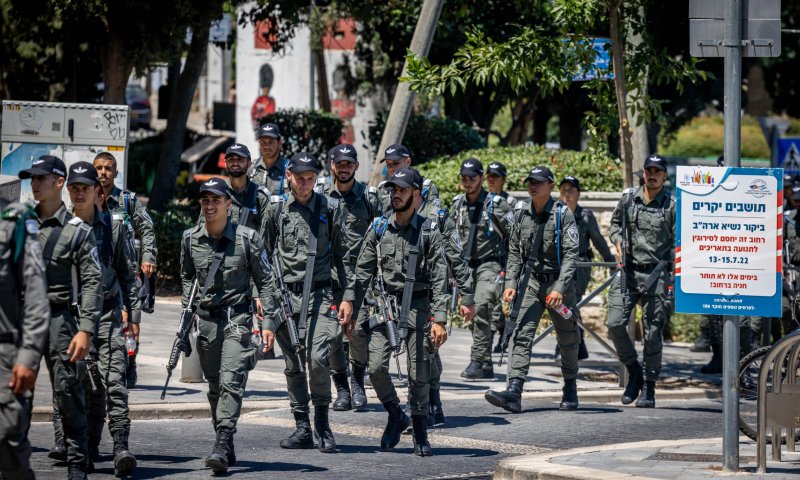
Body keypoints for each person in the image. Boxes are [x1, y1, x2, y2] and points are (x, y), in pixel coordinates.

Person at [341, 167, 449, 456]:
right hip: (384, 308)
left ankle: (420, 431)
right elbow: (362, 271)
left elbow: (440, 277)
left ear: (416, 193)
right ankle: (395, 414)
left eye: (402, 189)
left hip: (418, 308)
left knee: (418, 374)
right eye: (393, 189)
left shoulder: (429, 230)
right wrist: (350, 302)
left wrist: (440, 319)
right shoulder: (379, 227)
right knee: (375, 368)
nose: (396, 194)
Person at [180, 177, 273, 474]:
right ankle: (226, 436)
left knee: (231, 380)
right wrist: (187, 310)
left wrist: (269, 320)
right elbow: (186, 275)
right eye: (205, 200)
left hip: (237, 320)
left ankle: (221, 441)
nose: (209, 205)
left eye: (215, 200)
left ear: (228, 205)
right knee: (215, 386)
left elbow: (266, 281)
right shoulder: (190, 239)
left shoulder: (247, 238)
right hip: (207, 322)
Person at [261, 152, 353, 453]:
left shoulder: (330, 208)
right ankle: (302, 427)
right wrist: (260, 296)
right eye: (300, 178)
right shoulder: (276, 210)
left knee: (317, 359)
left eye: (310, 179)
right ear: (289, 176)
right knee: (294, 364)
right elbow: (261, 256)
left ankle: (322, 424)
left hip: (321, 294)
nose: (305, 184)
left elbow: (343, 256)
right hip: (286, 296)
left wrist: (347, 298)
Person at [19, 155, 103, 480]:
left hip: (60, 320)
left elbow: (93, 282)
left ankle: (78, 462)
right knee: (17, 395)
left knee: (68, 393)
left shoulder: (77, 231)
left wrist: (86, 329)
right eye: (31, 178)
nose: (34, 183)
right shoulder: (20, 224)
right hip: (24, 322)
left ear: (58, 183)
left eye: (41, 178)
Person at [484, 166, 581, 413]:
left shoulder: (562, 214)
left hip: (557, 282)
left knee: (568, 337)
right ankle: (514, 391)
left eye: (538, 182)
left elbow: (571, 256)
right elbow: (515, 252)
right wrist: (510, 284)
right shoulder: (520, 213)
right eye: (530, 182)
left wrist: (560, 287)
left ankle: (570, 385)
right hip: (531, 282)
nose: (533, 186)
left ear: (550, 185)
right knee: (521, 333)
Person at [67, 161, 140, 476]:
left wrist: (133, 317)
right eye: (76, 187)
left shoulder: (115, 225)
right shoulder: (61, 229)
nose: (82, 193)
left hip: (109, 314)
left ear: (98, 192)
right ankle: (85, 446)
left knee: (114, 383)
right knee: (84, 386)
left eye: (88, 187)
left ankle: (121, 446)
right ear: (69, 191)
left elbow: (127, 273)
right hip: (74, 318)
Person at [606, 154, 676, 408]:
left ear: (665, 175)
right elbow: (614, 225)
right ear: (643, 173)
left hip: (657, 275)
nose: (652, 174)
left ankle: (649, 386)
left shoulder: (672, 205)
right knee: (614, 323)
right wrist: (617, 240)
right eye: (649, 170)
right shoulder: (628, 198)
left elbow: (679, 242)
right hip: (628, 272)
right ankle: (633, 370)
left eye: (658, 171)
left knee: (652, 332)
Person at [323, 144, 382, 412]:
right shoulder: (321, 196)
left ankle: (357, 380)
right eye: (340, 163)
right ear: (332, 165)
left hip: (361, 277)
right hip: (331, 276)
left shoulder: (369, 197)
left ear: (356, 166)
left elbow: (382, 234)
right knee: (334, 334)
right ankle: (342, 389)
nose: (344, 168)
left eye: (349, 163)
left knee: (357, 332)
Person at [414, 173, 476, 427]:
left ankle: (432, 403)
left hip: (433, 291)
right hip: (405, 293)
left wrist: (468, 295)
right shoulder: (392, 211)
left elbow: (456, 256)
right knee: (417, 350)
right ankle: (428, 401)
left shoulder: (438, 217)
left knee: (428, 348)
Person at [94, 151, 158, 389]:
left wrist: (148, 257)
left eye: (108, 168)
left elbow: (148, 229)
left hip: (128, 277)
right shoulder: (88, 199)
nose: (103, 172)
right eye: (99, 168)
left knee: (132, 327)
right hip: (100, 276)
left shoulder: (127, 200)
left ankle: (130, 365)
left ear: (115, 172)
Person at [0, 198, 51, 480]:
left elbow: (35, 296)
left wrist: (29, 354)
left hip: (4, 356)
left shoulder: (14, 220)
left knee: (9, 447)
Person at [450, 159, 513, 381]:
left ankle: (476, 361)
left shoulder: (497, 205)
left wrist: (511, 271)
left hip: (491, 264)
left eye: (472, 178)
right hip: (466, 267)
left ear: (482, 179)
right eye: (464, 178)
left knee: (483, 306)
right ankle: (486, 363)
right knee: (472, 312)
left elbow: (514, 237)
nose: (467, 183)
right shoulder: (458, 205)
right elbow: (451, 237)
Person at [558, 176, 616, 360]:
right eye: (564, 190)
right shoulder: (555, 213)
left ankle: (568, 345)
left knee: (571, 303)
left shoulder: (585, 216)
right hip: (559, 266)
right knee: (566, 306)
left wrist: (610, 260)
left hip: (580, 266)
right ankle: (577, 345)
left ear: (578, 193)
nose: (567, 194)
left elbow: (598, 240)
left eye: (571, 190)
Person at [485, 161, 518, 354]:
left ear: (503, 179)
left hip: (504, 260)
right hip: (486, 261)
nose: (491, 179)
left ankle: (492, 344)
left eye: (495, 176)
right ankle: (503, 330)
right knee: (491, 301)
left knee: (495, 302)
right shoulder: (482, 201)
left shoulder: (511, 203)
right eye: (489, 176)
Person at [377, 144, 440, 212]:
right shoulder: (384, 188)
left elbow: (434, 217)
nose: (391, 168)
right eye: (388, 164)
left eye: (395, 163)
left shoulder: (426, 186)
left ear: (408, 162)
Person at [249, 123, 290, 195]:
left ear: (279, 143)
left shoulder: (289, 169)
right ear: (259, 143)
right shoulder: (251, 168)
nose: (267, 147)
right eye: (263, 142)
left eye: (271, 142)